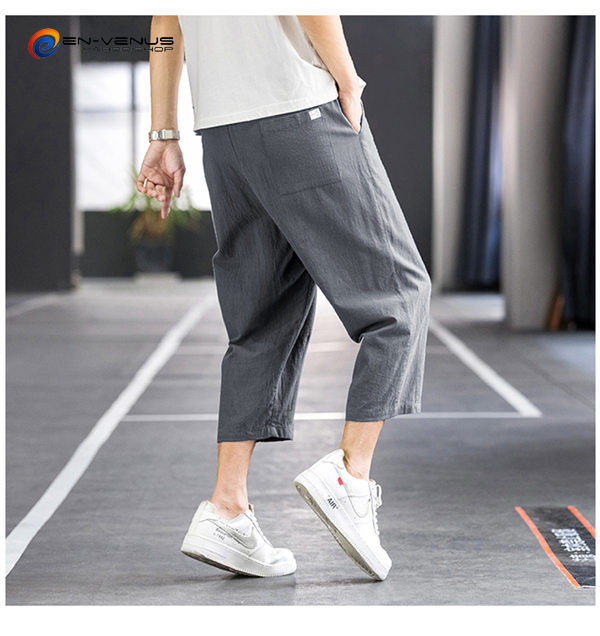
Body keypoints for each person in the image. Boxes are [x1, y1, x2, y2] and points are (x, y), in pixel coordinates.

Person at [137, 15, 431, 581]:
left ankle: (227, 508)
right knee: (399, 295)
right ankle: (350, 475)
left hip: (223, 135)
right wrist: (347, 79)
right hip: (300, 108)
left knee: (261, 320)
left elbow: (166, 21)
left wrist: (163, 134)